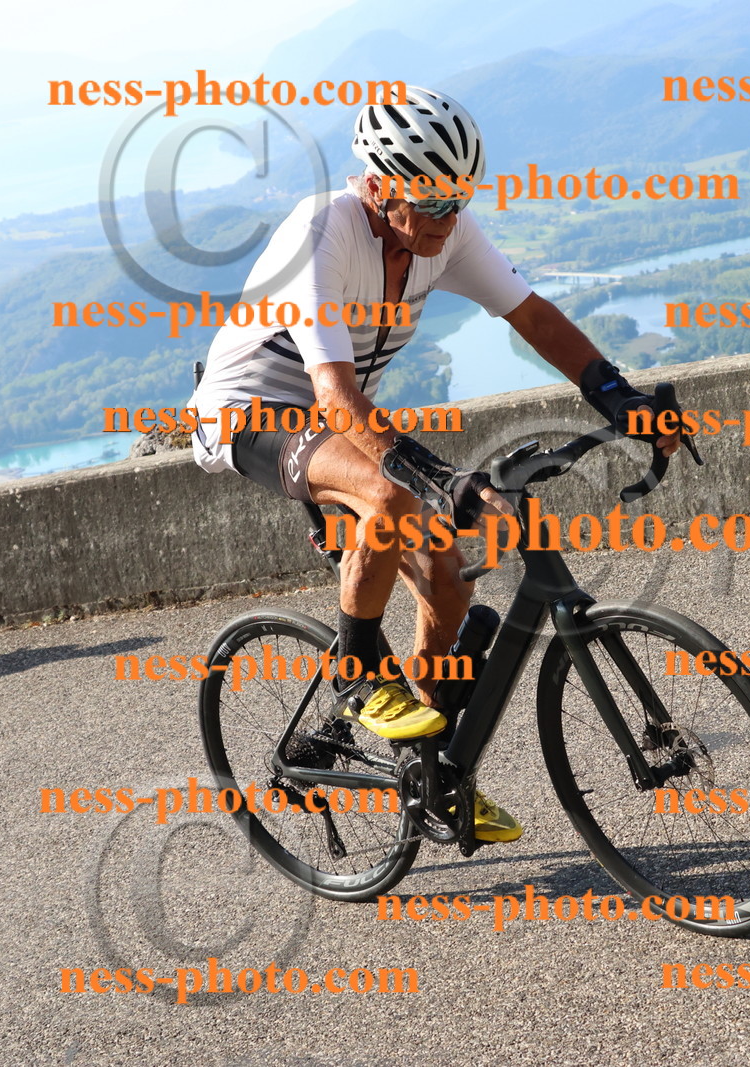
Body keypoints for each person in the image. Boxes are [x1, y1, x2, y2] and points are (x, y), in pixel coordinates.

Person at [187, 87, 678, 843]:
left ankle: (431, 771)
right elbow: (335, 391)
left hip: (335, 420)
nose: (449, 219)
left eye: (459, 199)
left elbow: (532, 315)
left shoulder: (442, 233)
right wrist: (436, 475)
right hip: (251, 411)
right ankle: (356, 670)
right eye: (432, 200)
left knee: (448, 581)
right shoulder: (320, 232)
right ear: (381, 188)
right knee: (389, 491)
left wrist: (619, 396)